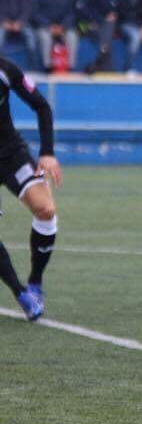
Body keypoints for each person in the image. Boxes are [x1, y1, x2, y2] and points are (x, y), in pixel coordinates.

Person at [0, 57, 61, 321]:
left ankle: (35, 282)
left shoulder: (5, 69)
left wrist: (47, 152)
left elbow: (41, 105)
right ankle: (21, 293)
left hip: (10, 154)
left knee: (45, 209)